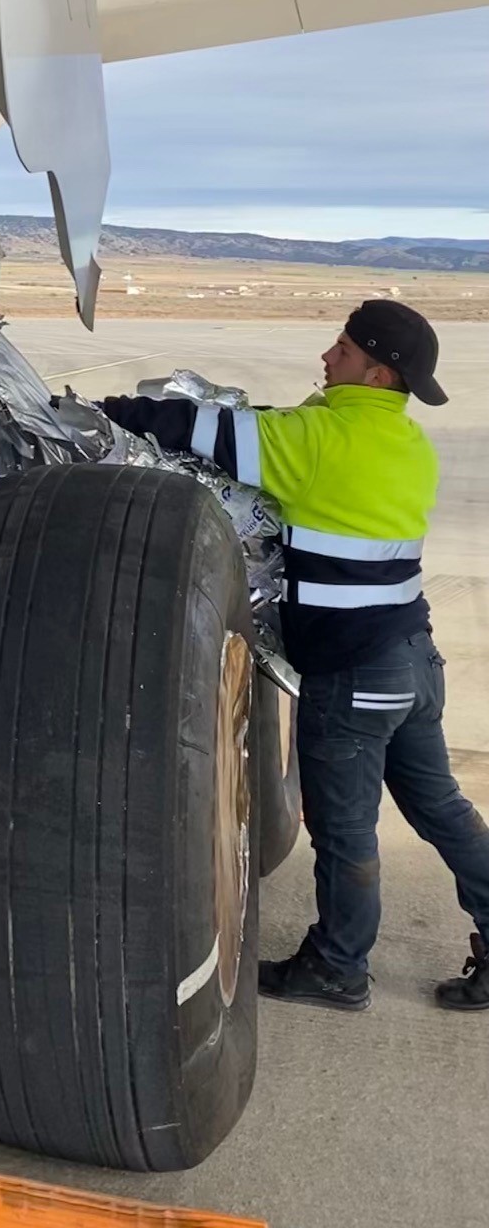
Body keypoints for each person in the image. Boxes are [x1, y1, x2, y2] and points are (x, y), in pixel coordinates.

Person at [100, 300, 489, 1013]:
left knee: (344, 833)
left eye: (340, 351)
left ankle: (339, 968)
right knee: (441, 809)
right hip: (414, 660)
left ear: (376, 371)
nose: (324, 357)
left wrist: (101, 410)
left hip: (355, 674)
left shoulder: (312, 440)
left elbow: (193, 427)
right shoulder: (408, 444)